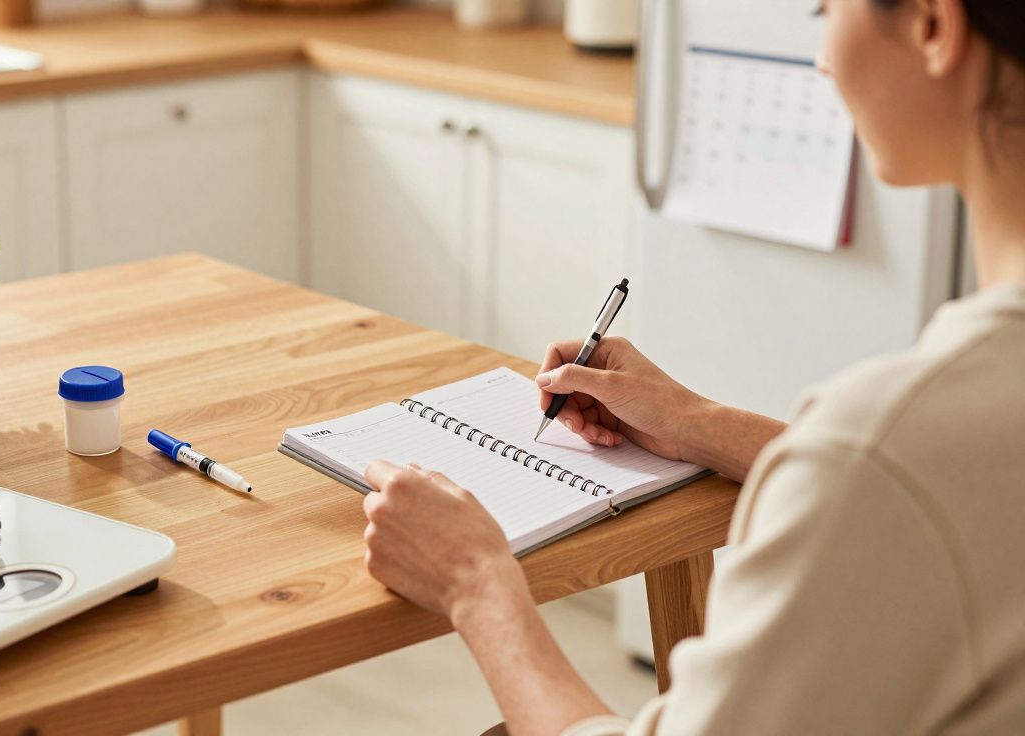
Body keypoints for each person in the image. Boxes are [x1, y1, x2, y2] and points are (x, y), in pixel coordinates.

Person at [359, 0, 1025, 732]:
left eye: (827, 6)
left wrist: (476, 583)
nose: (821, 56)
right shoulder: (937, 433)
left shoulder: (884, 448)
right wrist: (695, 424)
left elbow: (894, 477)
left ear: (934, 27)